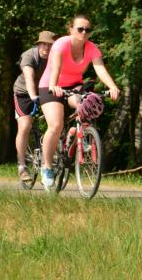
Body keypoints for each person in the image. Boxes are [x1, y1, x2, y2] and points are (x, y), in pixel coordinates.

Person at [37, 15, 120, 191]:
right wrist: (54, 85)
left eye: (87, 30)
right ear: (71, 29)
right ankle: (47, 166)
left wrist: (112, 86)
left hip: (74, 86)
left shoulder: (91, 48)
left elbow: (100, 69)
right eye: (80, 29)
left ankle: (78, 133)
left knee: (86, 103)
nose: (84, 32)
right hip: (50, 85)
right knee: (56, 124)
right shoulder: (61, 44)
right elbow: (56, 67)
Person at [12, 30, 56, 182]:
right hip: (24, 93)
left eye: (50, 45)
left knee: (55, 123)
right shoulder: (29, 56)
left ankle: (49, 159)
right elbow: (29, 77)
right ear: (38, 45)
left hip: (45, 91)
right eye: (43, 44)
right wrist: (33, 96)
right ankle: (22, 166)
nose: (46, 48)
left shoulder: (55, 57)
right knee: (25, 125)